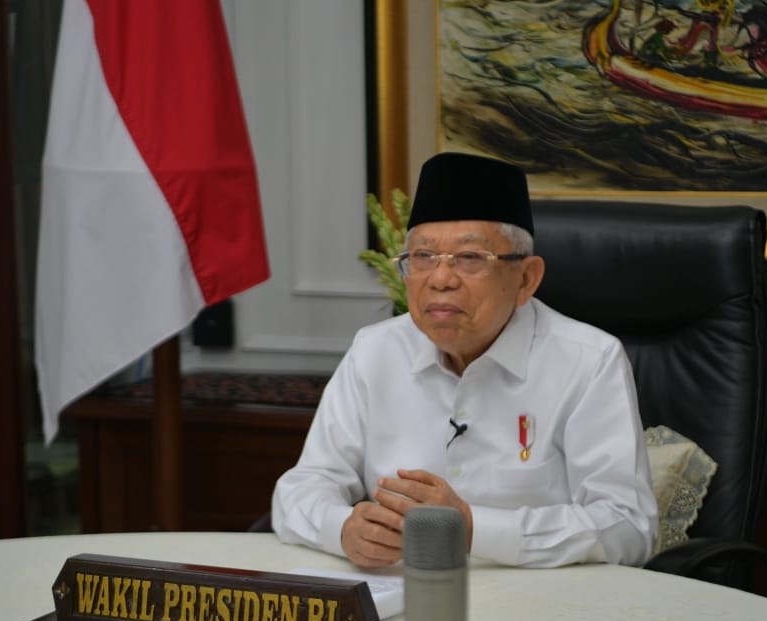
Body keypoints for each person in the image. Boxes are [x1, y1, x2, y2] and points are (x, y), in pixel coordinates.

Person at [271, 152, 657, 568]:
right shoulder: (375, 350)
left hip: (538, 595)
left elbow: (628, 527)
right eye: (423, 257)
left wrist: (473, 529)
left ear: (526, 279)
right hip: (401, 590)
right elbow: (303, 487)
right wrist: (343, 528)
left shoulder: (589, 361)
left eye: (470, 258)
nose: (440, 279)